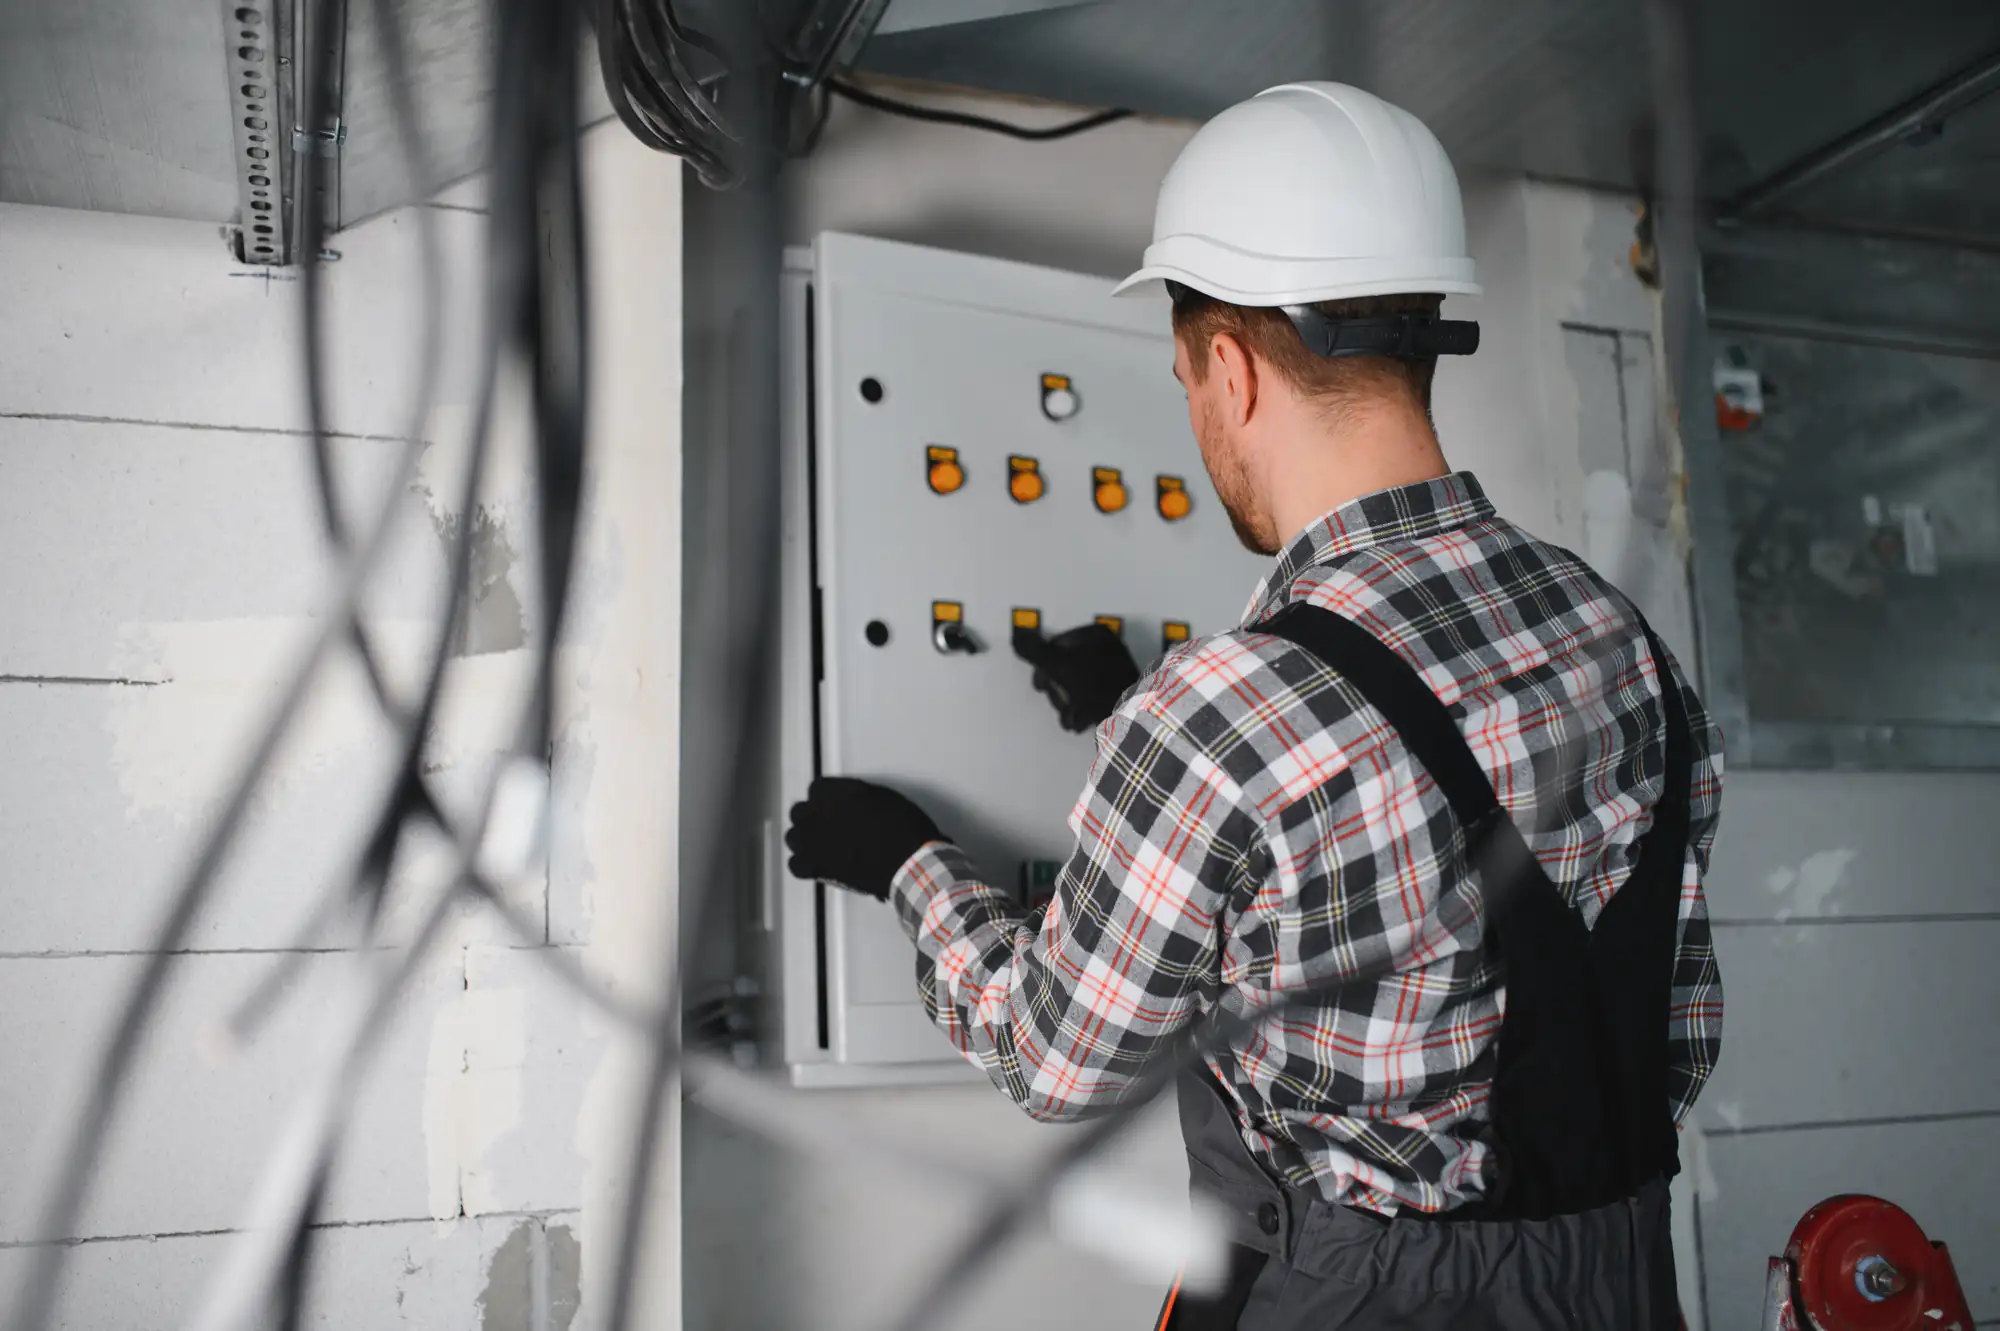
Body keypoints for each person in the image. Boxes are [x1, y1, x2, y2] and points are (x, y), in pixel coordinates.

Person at [786, 81, 1723, 1330]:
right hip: (1619, 1285)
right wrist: (1153, 740)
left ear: (1224, 368)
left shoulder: (1225, 716)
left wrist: (906, 857)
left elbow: (1050, 1055)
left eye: (1183, 381)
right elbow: (1673, 1032)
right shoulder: (1626, 643)